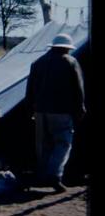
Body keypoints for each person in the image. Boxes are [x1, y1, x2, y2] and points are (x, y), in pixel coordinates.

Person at [25, 33, 86, 192]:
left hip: (39, 110)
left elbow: (30, 89)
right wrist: (80, 108)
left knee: (43, 144)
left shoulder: (37, 63)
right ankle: (54, 175)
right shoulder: (71, 62)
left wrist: (30, 108)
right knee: (63, 143)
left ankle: (43, 174)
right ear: (66, 47)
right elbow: (78, 89)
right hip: (61, 111)